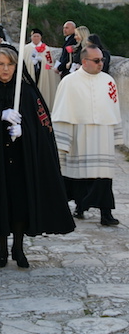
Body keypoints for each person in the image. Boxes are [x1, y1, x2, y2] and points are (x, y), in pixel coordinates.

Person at [0, 45, 75, 268]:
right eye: (1, 64)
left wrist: (25, 131)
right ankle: (1, 249)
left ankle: (18, 248)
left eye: (10, 64)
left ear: (16, 66)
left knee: (19, 202)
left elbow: (42, 127)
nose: (5, 69)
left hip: (21, 158)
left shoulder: (27, 92)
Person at [51, 45, 123, 225]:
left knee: (104, 177)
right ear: (84, 61)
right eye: (97, 60)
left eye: (102, 60)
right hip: (80, 135)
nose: (101, 63)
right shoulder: (70, 82)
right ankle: (79, 207)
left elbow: (114, 109)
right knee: (77, 177)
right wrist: (64, 140)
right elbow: (62, 111)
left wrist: (115, 134)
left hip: (102, 136)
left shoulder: (108, 81)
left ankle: (106, 214)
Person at [23, 28, 60, 111]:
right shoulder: (26, 48)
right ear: (31, 37)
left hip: (42, 73)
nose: (36, 38)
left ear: (41, 37)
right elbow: (24, 61)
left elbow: (49, 63)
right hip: (30, 72)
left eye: (37, 36)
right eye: (34, 36)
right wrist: (31, 62)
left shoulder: (46, 48)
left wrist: (41, 61)